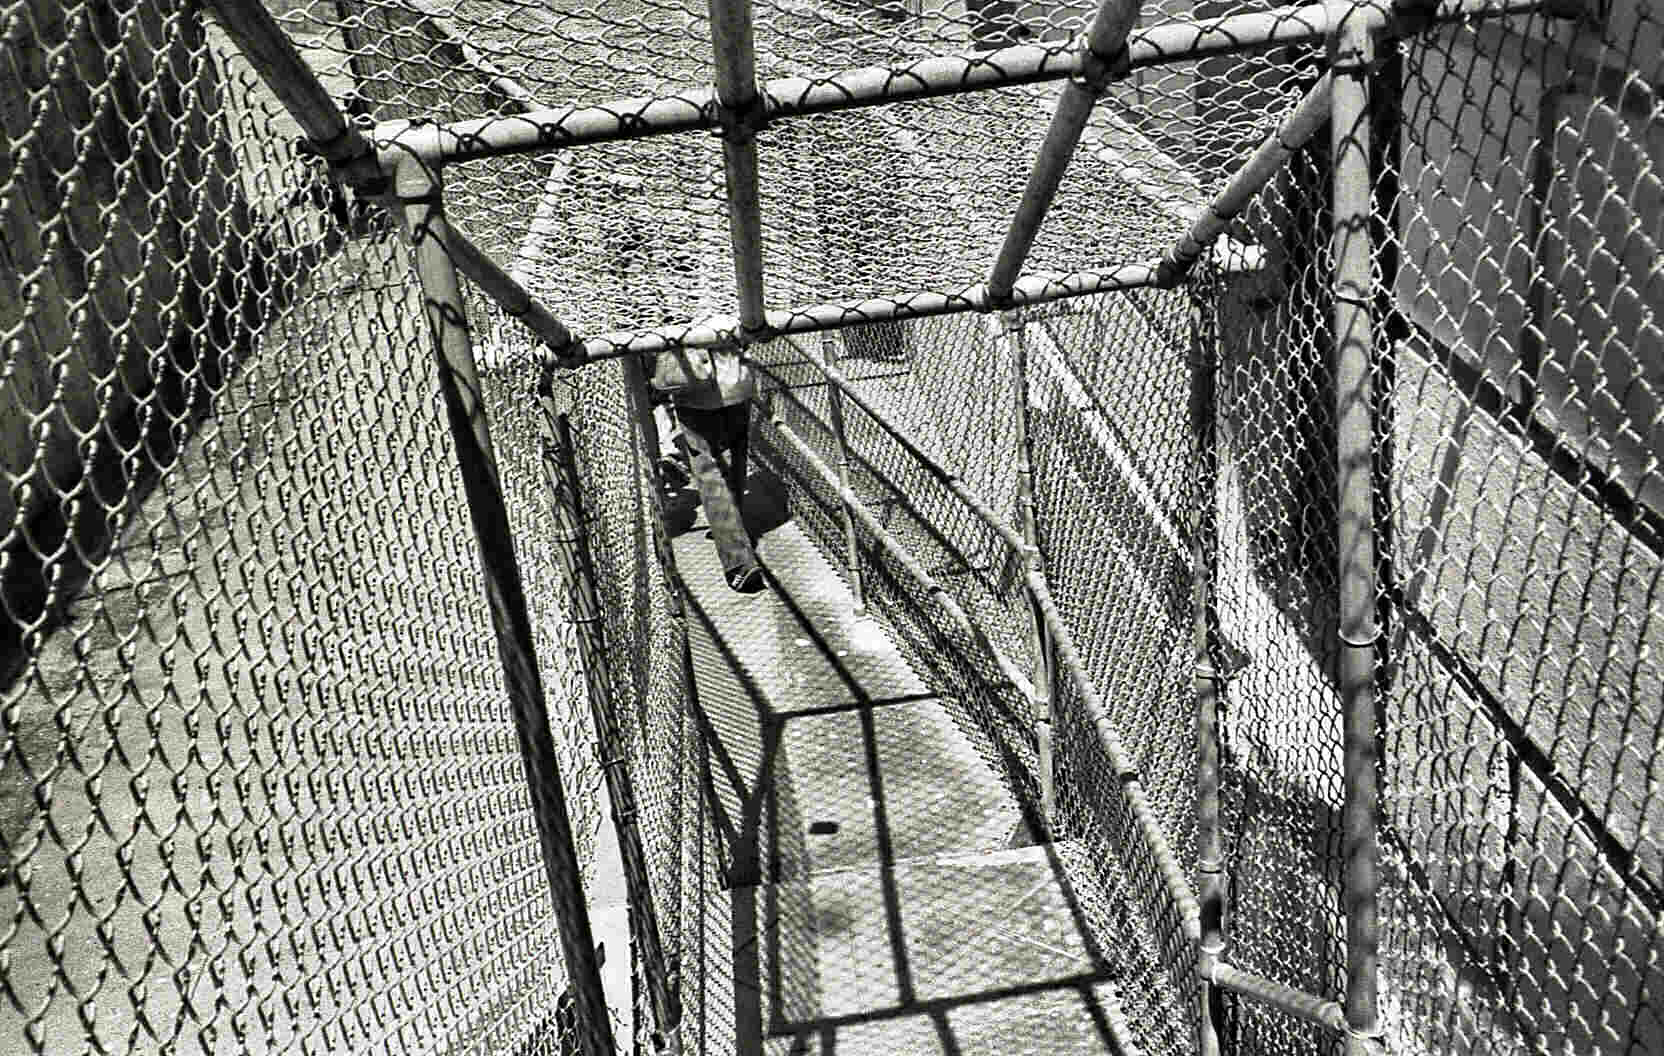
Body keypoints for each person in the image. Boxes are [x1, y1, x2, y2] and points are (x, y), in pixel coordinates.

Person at [654, 341, 765, 594]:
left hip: (695, 389)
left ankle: (738, 561)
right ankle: (731, 531)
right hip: (736, 382)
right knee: (734, 458)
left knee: (709, 473)